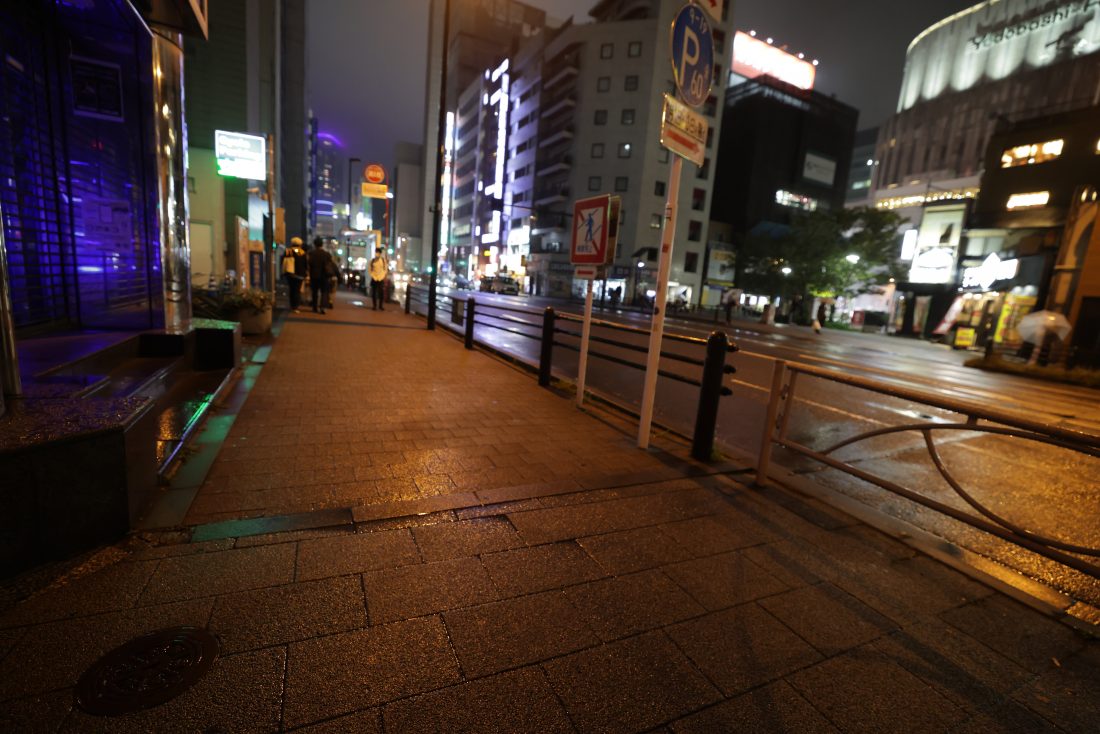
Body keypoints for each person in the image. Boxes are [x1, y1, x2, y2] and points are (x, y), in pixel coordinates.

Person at [308, 237, 336, 314]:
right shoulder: (326, 254)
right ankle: (323, 307)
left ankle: (314, 307)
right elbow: (331, 265)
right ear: (322, 244)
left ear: (314, 244)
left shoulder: (311, 253)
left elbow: (309, 264)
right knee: (324, 292)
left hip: (314, 275)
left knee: (315, 292)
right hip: (324, 276)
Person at [281, 237, 307, 312]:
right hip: (300, 275)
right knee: (297, 290)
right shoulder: (302, 252)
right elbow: (305, 264)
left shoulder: (288, 251)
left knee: (292, 289)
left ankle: (292, 305)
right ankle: (296, 306)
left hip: (290, 273)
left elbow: (283, 262)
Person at [368, 246, 388, 310]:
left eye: (378, 252)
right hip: (374, 278)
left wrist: (383, 276)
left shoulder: (383, 260)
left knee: (381, 293)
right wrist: (373, 275)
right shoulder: (372, 261)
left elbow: (385, 269)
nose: (377, 254)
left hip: (380, 278)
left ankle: (380, 306)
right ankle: (374, 306)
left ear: (380, 253)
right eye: (376, 252)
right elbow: (369, 270)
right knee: (374, 293)